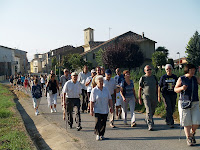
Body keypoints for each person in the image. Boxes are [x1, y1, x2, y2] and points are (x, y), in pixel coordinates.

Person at [174, 64, 200, 146]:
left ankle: (192, 134)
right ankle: (188, 138)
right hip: (184, 102)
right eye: (191, 70)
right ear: (187, 70)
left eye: (194, 70)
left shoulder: (195, 79)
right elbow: (175, 89)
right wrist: (181, 88)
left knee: (196, 121)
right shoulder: (181, 79)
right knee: (187, 122)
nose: (193, 71)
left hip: (195, 102)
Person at [90, 75, 114, 141]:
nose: (101, 82)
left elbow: (110, 99)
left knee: (103, 123)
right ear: (96, 82)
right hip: (97, 109)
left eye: (102, 81)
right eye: (99, 81)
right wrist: (91, 110)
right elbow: (91, 101)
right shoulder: (94, 90)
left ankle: (102, 134)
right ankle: (97, 134)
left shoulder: (106, 89)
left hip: (105, 109)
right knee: (98, 122)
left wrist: (111, 107)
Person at [138, 65, 158, 131]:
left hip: (154, 96)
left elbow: (157, 87)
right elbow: (140, 89)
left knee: (152, 110)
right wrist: (139, 98)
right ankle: (150, 125)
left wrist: (158, 96)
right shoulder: (143, 78)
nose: (149, 71)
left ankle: (148, 119)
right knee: (148, 110)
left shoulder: (154, 77)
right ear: (145, 71)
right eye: (147, 70)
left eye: (150, 69)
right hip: (146, 96)